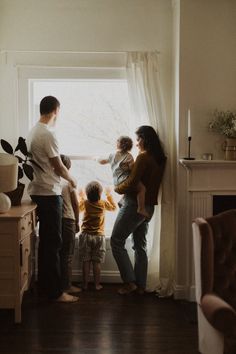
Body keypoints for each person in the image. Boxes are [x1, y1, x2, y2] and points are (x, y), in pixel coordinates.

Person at [27, 96, 79, 302]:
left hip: (39, 190)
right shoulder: (47, 133)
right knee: (53, 243)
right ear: (56, 110)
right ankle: (55, 293)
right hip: (48, 193)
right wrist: (72, 179)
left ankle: (48, 288)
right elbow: (57, 166)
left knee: (48, 242)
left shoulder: (34, 131)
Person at [110, 126, 166, 295]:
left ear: (145, 139)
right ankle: (141, 285)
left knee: (116, 241)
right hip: (148, 208)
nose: (136, 143)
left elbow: (133, 182)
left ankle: (129, 282)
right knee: (140, 245)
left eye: (139, 139)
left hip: (134, 206)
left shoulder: (143, 158)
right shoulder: (160, 159)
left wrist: (117, 188)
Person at [97, 135, 149, 218]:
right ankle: (141, 208)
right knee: (142, 188)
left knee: (128, 189)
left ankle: (122, 200)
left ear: (119, 144)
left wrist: (96, 158)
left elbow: (102, 161)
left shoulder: (112, 155)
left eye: (117, 141)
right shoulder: (129, 156)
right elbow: (133, 170)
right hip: (125, 180)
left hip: (117, 182)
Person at [78, 181, 116, 290]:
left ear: (87, 194)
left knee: (86, 261)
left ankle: (85, 285)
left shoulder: (85, 203)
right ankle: (96, 285)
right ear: (100, 194)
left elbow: (79, 209)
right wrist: (109, 195)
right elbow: (114, 208)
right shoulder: (103, 203)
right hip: (99, 237)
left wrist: (81, 196)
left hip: (86, 236)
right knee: (96, 262)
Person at [60, 154, 81, 294]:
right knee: (67, 256)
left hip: (56, 220)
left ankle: (58, 285)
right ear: (68, 167)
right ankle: (67, 286)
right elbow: (75, 203)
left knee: (57, 254)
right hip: (68, 220)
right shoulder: (69, 181)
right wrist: (78, 221)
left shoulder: (53, 181)